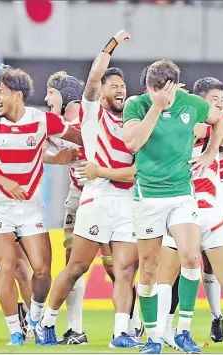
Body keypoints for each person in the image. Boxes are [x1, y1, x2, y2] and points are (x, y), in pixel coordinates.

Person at [38, 30, 143, 349]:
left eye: (123, 86)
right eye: (114, 86)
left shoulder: (134, 123)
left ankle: (121, 333)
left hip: (127, 203)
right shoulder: (92, 113)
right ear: (101, 91)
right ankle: (46, 323)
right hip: (96, 199)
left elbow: (138, 170)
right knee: (76, 267)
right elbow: (96, 73)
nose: (120, 90)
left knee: (125, 271)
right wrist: (112, 44)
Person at [0, 67, 83, 345]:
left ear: (17, 95)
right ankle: (15, 332)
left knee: (43, 269)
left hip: (30, 206)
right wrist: (3, 182)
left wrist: (68, 156)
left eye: (1, 92)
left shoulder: (42, 121)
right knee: (7, 266)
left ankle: (35, 316)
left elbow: (81, 138)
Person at [122, 60, 223, 354]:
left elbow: (220, 120)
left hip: (182, 193)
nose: (157, 93)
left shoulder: (191, 103)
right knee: (150, 269)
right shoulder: (137, 105)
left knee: (192, 257)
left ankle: (183, 332)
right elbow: (132, 143)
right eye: (152, 89)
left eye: (163, 89)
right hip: (149, 195)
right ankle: (153, 338)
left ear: (175, 85)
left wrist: (210, 152)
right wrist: (156, 107)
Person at [157, 132, 223, 345]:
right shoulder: (215, 131)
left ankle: (162, 333)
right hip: (213, 211)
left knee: (165, 277)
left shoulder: (171, 137)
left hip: (183, 213)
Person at [191, 77, 223, 343]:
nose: (220, 105)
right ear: (201, 101)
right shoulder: (189, 117)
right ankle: (215, 315)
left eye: (222, 100)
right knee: (209, 260)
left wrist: (214, 129)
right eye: (214, 101)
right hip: (203, 193)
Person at [42, 71, 88, 345]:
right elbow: (36, 149)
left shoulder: (91, 120)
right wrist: (57, 160)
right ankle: (75, 329)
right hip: (77, 196)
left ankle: (131, 326)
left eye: (52, 92)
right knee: (73, 264)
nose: (46, 98)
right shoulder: (54, 125)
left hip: (109, 195)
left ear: (67, 94)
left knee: (117, 266)